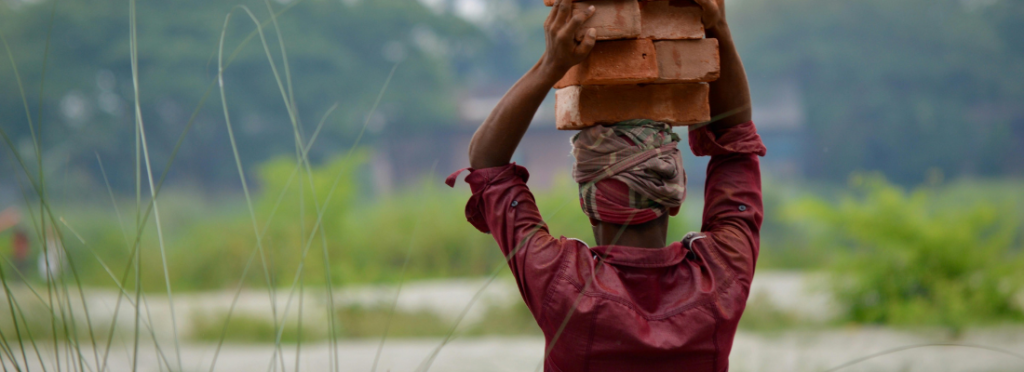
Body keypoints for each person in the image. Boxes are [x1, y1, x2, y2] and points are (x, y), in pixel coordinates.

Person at [445, 0, 766, 370]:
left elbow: (486, 163)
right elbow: (737, 144)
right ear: (675, 197)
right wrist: (717, 29)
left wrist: (552, 64)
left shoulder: (560, 279)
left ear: (587, 201)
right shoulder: (721, 274)